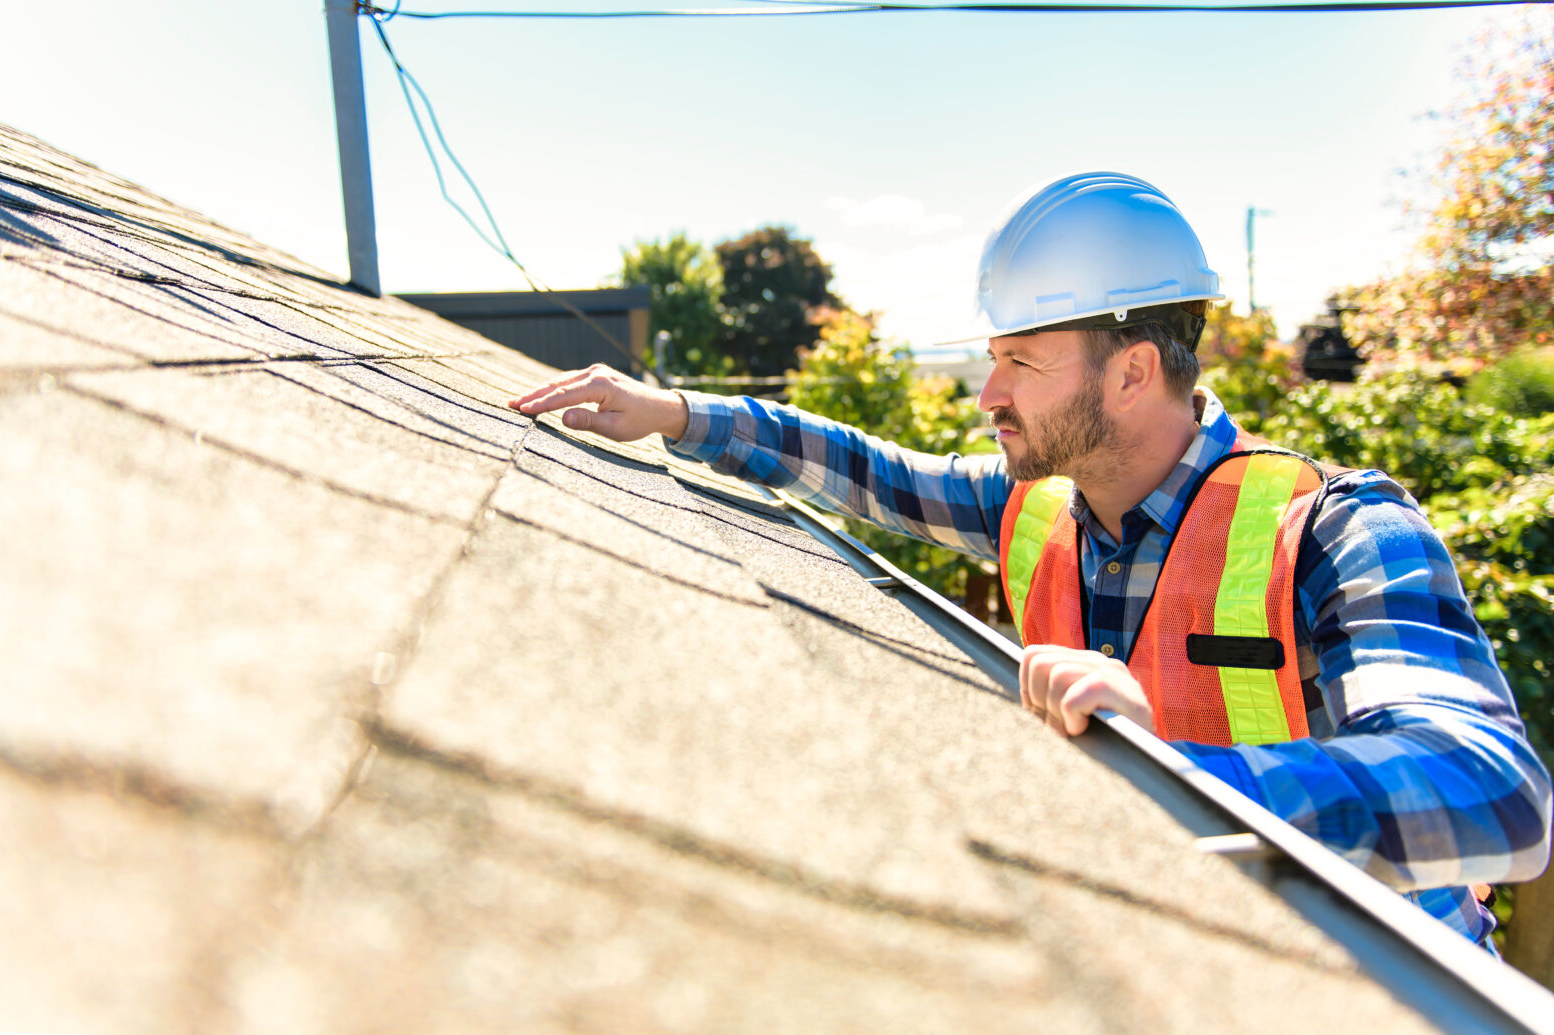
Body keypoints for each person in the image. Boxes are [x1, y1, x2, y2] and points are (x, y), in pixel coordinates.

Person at [513, 172, 1551, 951]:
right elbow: (873, 471)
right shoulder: (1042, 507)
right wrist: (680, 414)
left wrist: (1184, 782)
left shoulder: (1338, 530)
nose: (988, 394)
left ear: (1135, 371)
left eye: (1021, 362)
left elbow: (1498, 790)